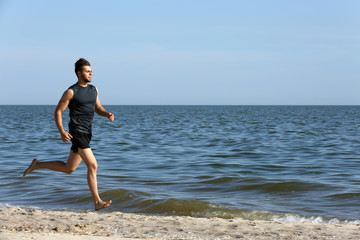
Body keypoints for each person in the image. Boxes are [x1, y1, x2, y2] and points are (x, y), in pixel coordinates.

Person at [23, 58, 114, 211]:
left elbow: (97, 107)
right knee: (93, 165)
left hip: (87, 133)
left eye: (91, 71)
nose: (91, 73)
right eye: (87, 71)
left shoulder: (94, 89)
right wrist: (62, 131)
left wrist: (107, 114)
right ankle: (97, 201)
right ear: (79, 73)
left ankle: (37, 165)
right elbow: (58, 112)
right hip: (77, 132)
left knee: (69, 169)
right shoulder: (71, 91)